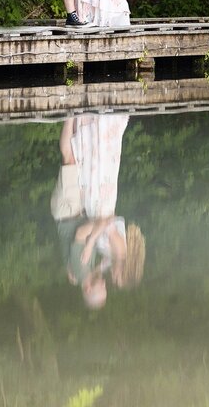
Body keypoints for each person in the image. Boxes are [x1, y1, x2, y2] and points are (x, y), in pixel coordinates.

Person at [50, 113, 145, 309]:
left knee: (78, 155)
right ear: (125, 271)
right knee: (78, 156)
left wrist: (76, 274)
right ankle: (80, 116)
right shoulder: (120, 250)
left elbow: (89, 268)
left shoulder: (113, 259)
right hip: (100, 202)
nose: (112, 279)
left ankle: (76, 115)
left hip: (88, 207)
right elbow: (107, 222)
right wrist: (90, 242)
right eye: (116, 279)